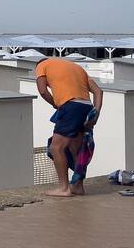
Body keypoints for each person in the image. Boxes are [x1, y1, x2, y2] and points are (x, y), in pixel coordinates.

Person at [34, 56, 103, 197]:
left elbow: (42, 91)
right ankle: (78, 186)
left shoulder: (42, 65)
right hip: (86, 107)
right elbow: (98, 91)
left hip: (70, 106)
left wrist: (56, 104)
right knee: (75, 149)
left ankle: (64, 188)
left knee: (56, 147)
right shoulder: (76, 67)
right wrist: (95, 112)